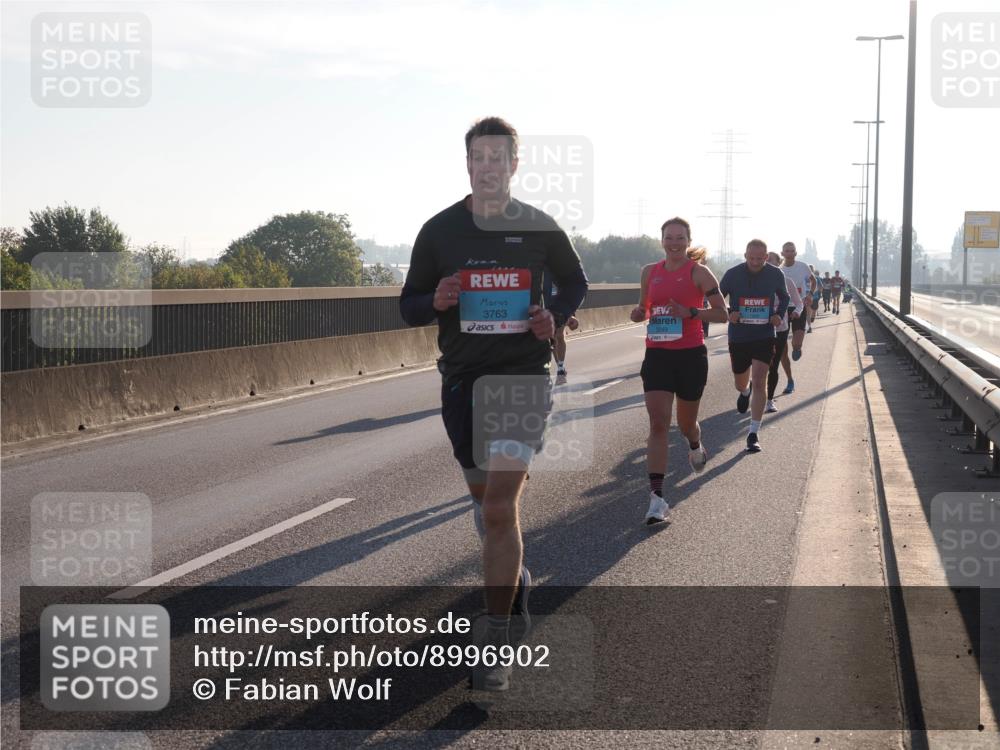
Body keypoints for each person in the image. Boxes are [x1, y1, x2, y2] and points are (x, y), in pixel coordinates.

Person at [399, 117, 588, 691]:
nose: (487, 166)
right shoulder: (439, 231)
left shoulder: (539, 227)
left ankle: (496, 641)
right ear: (468, 164)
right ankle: (516, 579)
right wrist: (436, 297)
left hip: (520, 379)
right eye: (478, 157)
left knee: (501, 509)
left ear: (513, 164)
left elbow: (574, 282)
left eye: (498, 158)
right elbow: (408, 306)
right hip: (461, 383)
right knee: (485, 508)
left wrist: (550, 311)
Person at [629, 220, 727, 524]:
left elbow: (723, 314)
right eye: (668, 238)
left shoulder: (699, 272)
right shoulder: (650, 272)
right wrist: (638, 313)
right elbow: (645, 306)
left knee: (686, 425)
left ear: (688, 241)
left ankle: (695, 444)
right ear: (661, 240)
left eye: (680, 238)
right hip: (657, 355)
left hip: (690, 357)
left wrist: (691, 312)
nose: (674, 243)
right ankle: (656, 499)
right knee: (658, 423)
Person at [719, 239, 790, 452]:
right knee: (741, 382)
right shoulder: (732, 274)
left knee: (760, 381)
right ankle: (744, 391)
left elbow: (784, 298)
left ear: (766, 257)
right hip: (739, 336)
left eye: (760, 258)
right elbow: (716, 299)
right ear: (745, 255)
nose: (756, 262)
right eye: (752, 258)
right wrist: (729, 312)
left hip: (764, 334)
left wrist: (778, 315)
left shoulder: (776, 274)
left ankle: (753, 432)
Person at [765, 252, 804, 413]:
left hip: (780, 327)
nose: (766, 262)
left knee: (776, 360)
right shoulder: (755, 280)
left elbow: (799, 303)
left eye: (770, 260)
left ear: (778, 262)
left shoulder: (786, 281)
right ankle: (754, 388)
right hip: (759, 328)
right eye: (764, 260)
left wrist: (796, 312)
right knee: (762, 361)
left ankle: (783, 386)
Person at [779, 241, 813, 372]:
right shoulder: (779, 270)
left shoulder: (803, 266)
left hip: (799, 306)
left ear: (795, 253)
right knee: (781, 345)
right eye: (787, 251)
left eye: (792, 251)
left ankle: (796, 347)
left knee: (797, 343)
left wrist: (810, 294)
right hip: (783, 308)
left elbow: (813, 281)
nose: (789, 253)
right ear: (782, 253)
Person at [543, 273, 580, 379]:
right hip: (546, 306)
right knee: (553, 337)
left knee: (559, 335)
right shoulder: (540, 269)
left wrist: (571, 313)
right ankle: (559, 366)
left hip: (560, 308)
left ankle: (560, 366)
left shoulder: (560, 270)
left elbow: (570, 292)